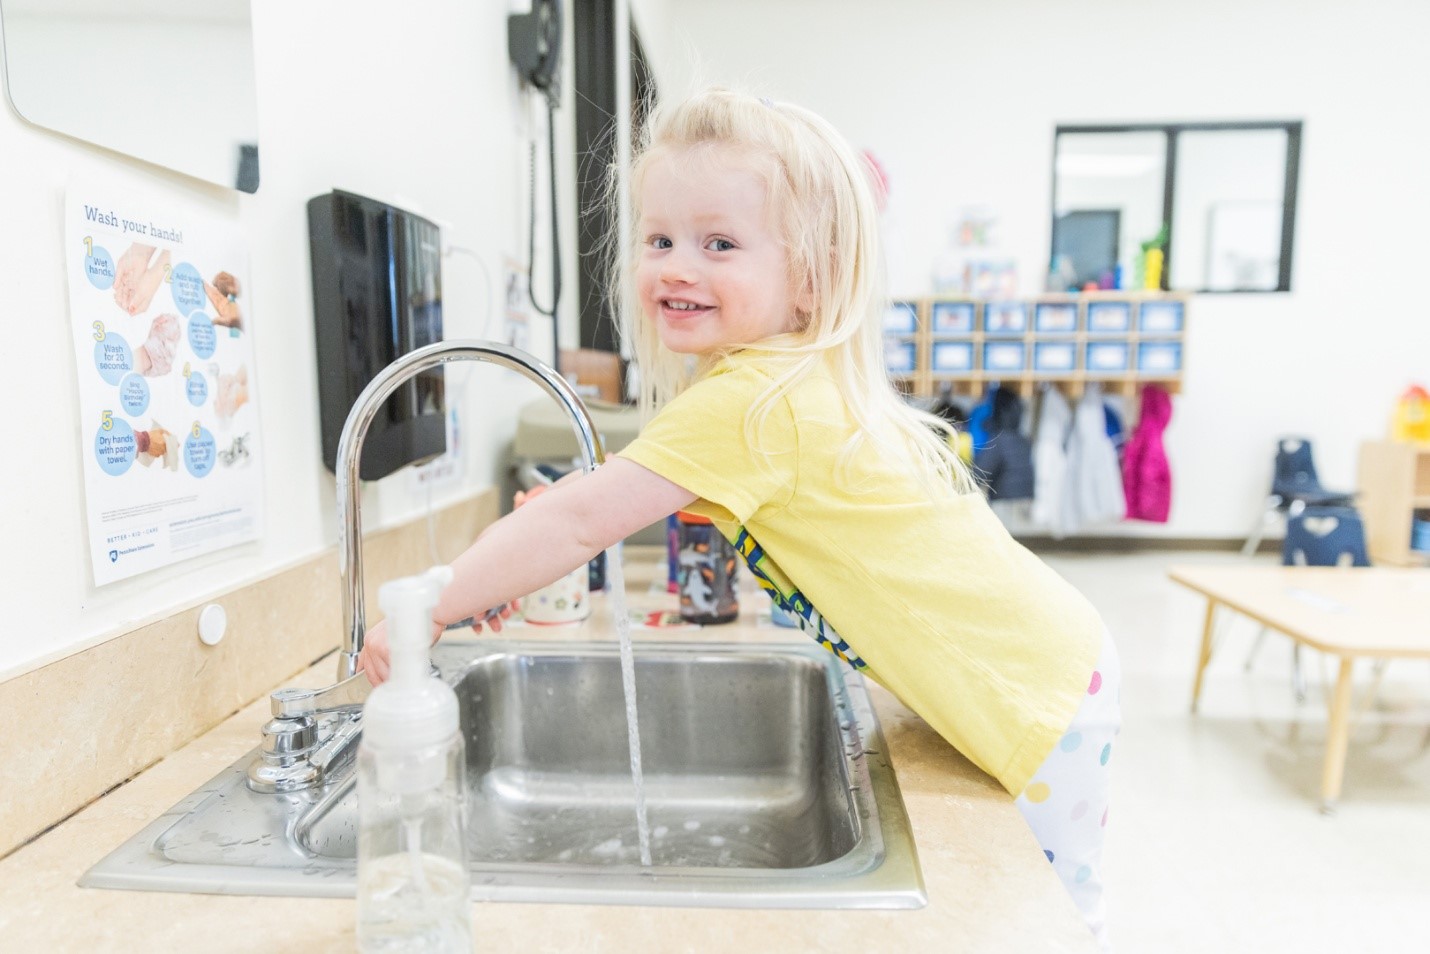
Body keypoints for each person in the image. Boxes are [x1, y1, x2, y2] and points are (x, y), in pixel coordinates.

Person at [357, 87, 1119, 949]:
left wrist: (439, 600)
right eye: (661, 239)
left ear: (812, 274)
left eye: (719, 243)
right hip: (1051, 665)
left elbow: (576, 524)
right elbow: (587, 509)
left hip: (1037, 693)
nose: (679, 265)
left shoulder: (755, 402)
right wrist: (526, 549)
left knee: (1052, 921)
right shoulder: (779, 380)